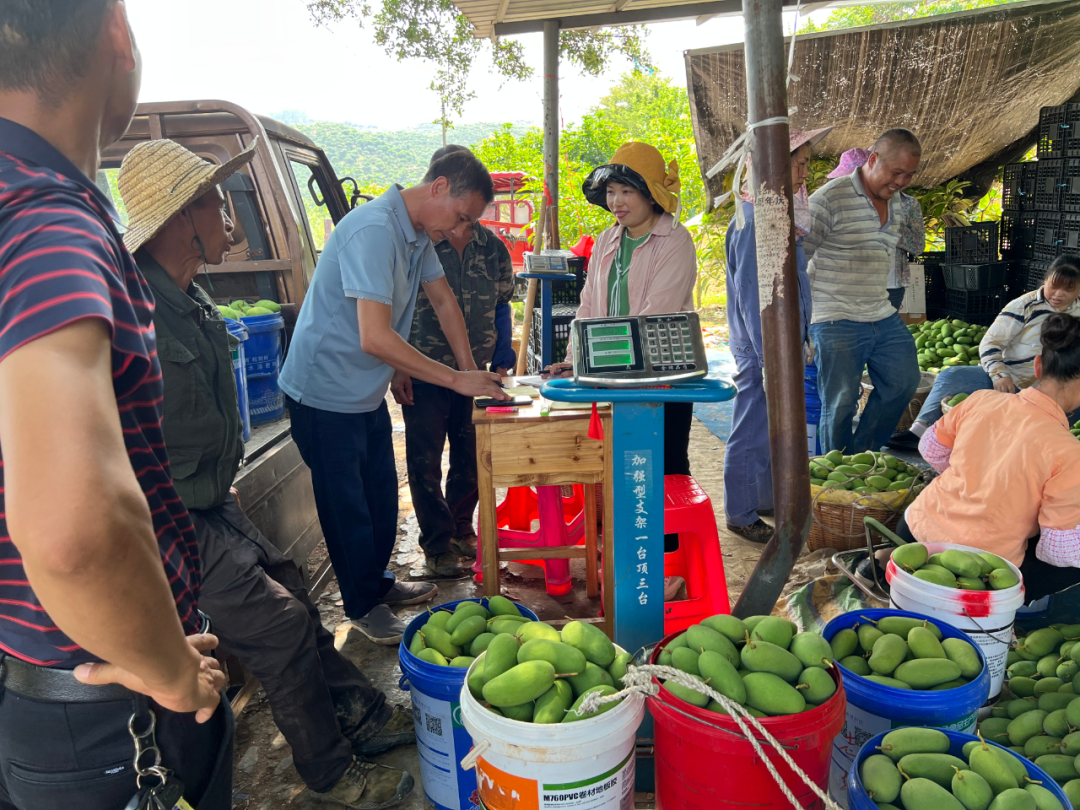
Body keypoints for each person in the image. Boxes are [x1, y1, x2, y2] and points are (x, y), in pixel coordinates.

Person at [118, 139, 416, 809]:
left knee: (292, 596)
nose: (230, 218)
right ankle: (332, 778)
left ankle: (360, 715)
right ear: (179, 219)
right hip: (166, 517)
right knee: (278, 630)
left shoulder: (189, 302)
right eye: (216, 204)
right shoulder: (136, 312)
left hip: (208, 501)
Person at [0, 3, 233, 809]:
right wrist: (174, 670)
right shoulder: (49, 226)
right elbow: (74, 532)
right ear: (116, 34)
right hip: (105, 714)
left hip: (36, 695)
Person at [279, 150, 508, 645]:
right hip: (323, 392)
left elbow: (444, 301)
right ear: (439, 187)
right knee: (348, 507)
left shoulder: (418, 234)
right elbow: (373, 337)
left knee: (382, 498)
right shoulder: (374, 230)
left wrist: (471, 372)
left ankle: (377, 585)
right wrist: (452, 379)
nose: (459, 229)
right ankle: (362, 606)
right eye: (462, 216)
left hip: (361, 392)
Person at [895, 313, 1080, 605]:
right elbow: (1058, 551)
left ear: (1037, 365)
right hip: (975, 569)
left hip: (913, 533)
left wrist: (981, 479)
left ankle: (890, 566)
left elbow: (930, 449)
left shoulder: (980, 399)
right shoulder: (1069, 452)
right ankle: (1008, 607)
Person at [393, 145, 516, 578]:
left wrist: (503, 353)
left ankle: (463, 528)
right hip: (423, 367)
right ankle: (437, 543)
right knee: (424, 457)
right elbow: (390, 308)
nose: (464, 222)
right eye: (462, 213)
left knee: (471, 452)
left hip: (475, 370)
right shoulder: (422, 242)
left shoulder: (493, 247)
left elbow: (503, 303)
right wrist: (398, 366)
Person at [545, 142, 697, 479]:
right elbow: (587, 306)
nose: (616, 201)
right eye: (611, 191)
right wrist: (575, 359)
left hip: (661, 379)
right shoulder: (606, 240)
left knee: (666, 469)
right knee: (623, 470)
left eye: (627, 190)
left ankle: (668, 535)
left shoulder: (675, 240)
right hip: (612, 376)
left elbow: (657, 313)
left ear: (650, 194)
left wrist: (602, 367)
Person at [723, 128, 830, 544]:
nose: (805, 172)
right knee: (751, 427)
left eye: (806, 162)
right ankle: (741, 511)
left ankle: (762, 498)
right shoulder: (755, 222)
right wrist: (772, 357)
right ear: (772, 167)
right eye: (798, 162)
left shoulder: (773, 213)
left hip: (774, 344)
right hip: (761, 346)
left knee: (767, 425)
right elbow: (754, 296)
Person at [805, 128, 923, 454]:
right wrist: (804, 326)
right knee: (840, 403)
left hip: (880, 311)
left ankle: (861, 455)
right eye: (895, 172)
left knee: (903, 382)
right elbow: (797, 262)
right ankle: (834, 477)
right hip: (834, 316)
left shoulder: (897, 202)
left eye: (908, 175)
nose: (900, 181)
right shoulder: (829, 199)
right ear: (873, 160)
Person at [895, 255, 1080, 443]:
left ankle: (1057, 439)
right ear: (1045, 279)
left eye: (1068, 289)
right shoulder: (1024, 306)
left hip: (1055, 388)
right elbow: (990, 343)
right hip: (1011, 382)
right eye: (1053, 286)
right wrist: (999, 375)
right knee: (951, 375)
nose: (1058, 294)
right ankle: (918, 432)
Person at [826, 147, 926, 313]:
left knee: (881, 334)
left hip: (890, 285)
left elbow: (918, 247)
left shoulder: (908, 205)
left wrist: (891, 224)